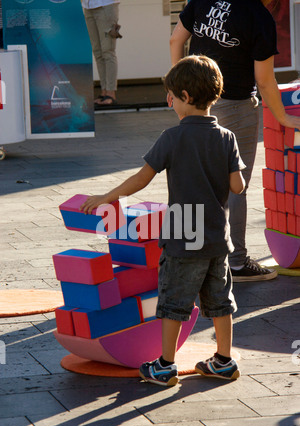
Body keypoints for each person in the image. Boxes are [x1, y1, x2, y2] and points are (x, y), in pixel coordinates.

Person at [80, 55, 246, 386]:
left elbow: (142, 179)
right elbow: (237, 186)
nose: (168, 101)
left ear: (184, 96)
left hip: (184, 232)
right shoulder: (226, 137)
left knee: (173, 302)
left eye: (170, 95)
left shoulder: (172, 137)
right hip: (216, 236)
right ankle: (224, 361)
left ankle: (166, 365)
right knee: (220, 300)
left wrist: (106, 198)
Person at [170, 0, 300, 282]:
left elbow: (176, 39)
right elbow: (264, 81)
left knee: (198, 178)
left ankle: (193, 253)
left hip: (192, 101)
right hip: (234, 106)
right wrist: (284, 117)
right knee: (234, 182)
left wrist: (178, 86)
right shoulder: (258, 15)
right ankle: (237, 261)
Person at [81, 0, 120, 108]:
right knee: (98, 52)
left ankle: (111, 93)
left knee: (108, 51)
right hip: (88, 7)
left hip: (106, 6)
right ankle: (104, 92)